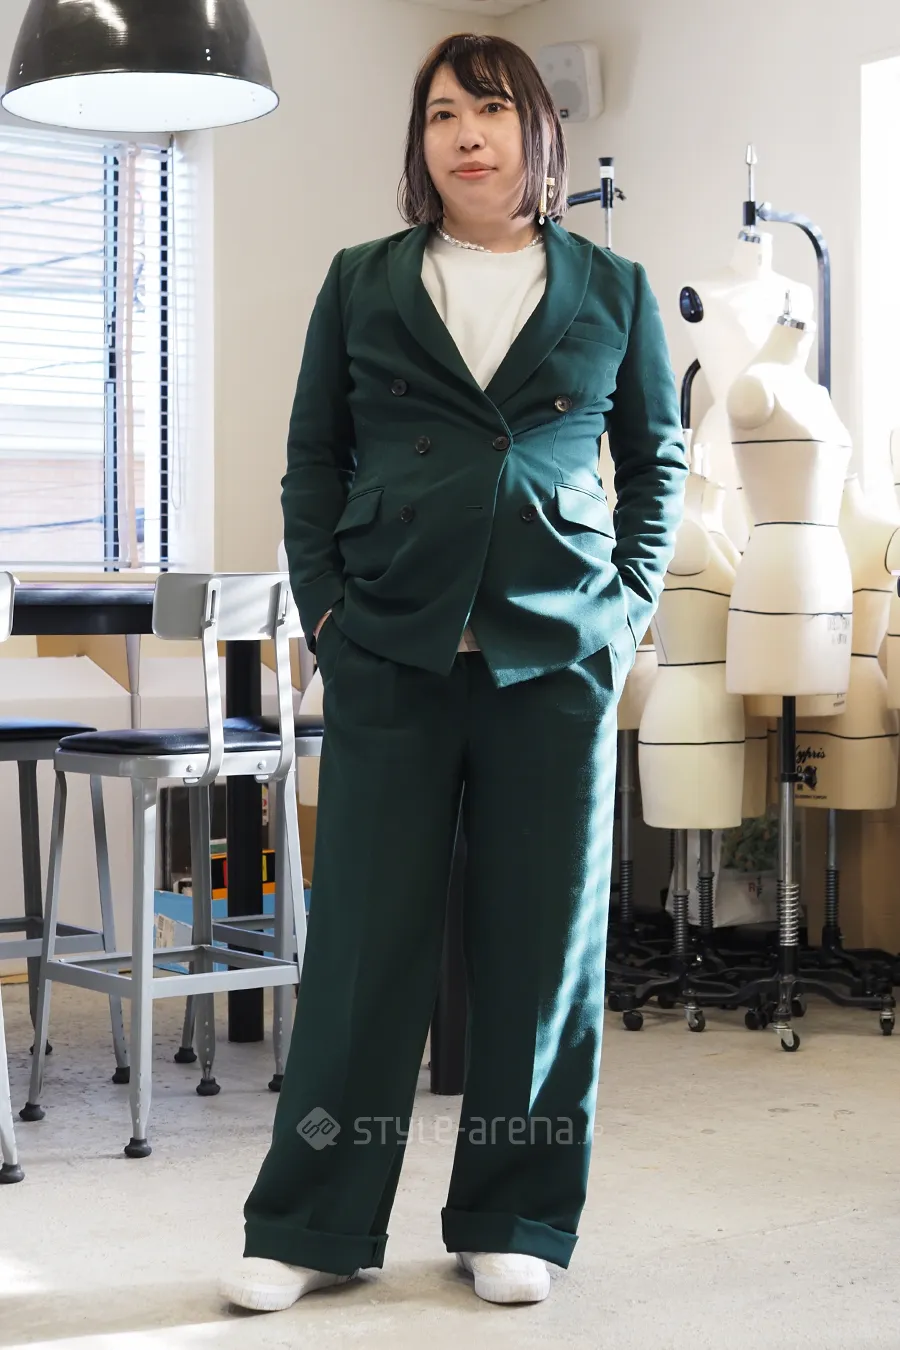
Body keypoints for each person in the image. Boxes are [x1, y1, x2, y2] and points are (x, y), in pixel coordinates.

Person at [220, 32, 687, 1313]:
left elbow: (659, 463)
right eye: (440, 114)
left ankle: (514, 1214)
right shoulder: (361, 281)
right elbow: (313, 458)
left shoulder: (615, 288)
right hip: (392, 646)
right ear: (418, 143)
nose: (465, 134)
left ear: (539, 130)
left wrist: (625, 612)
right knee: (364, 947)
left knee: (541, 951)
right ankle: (311, 1224)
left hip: (557, 653)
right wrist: (330, 613)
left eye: (490, 109)